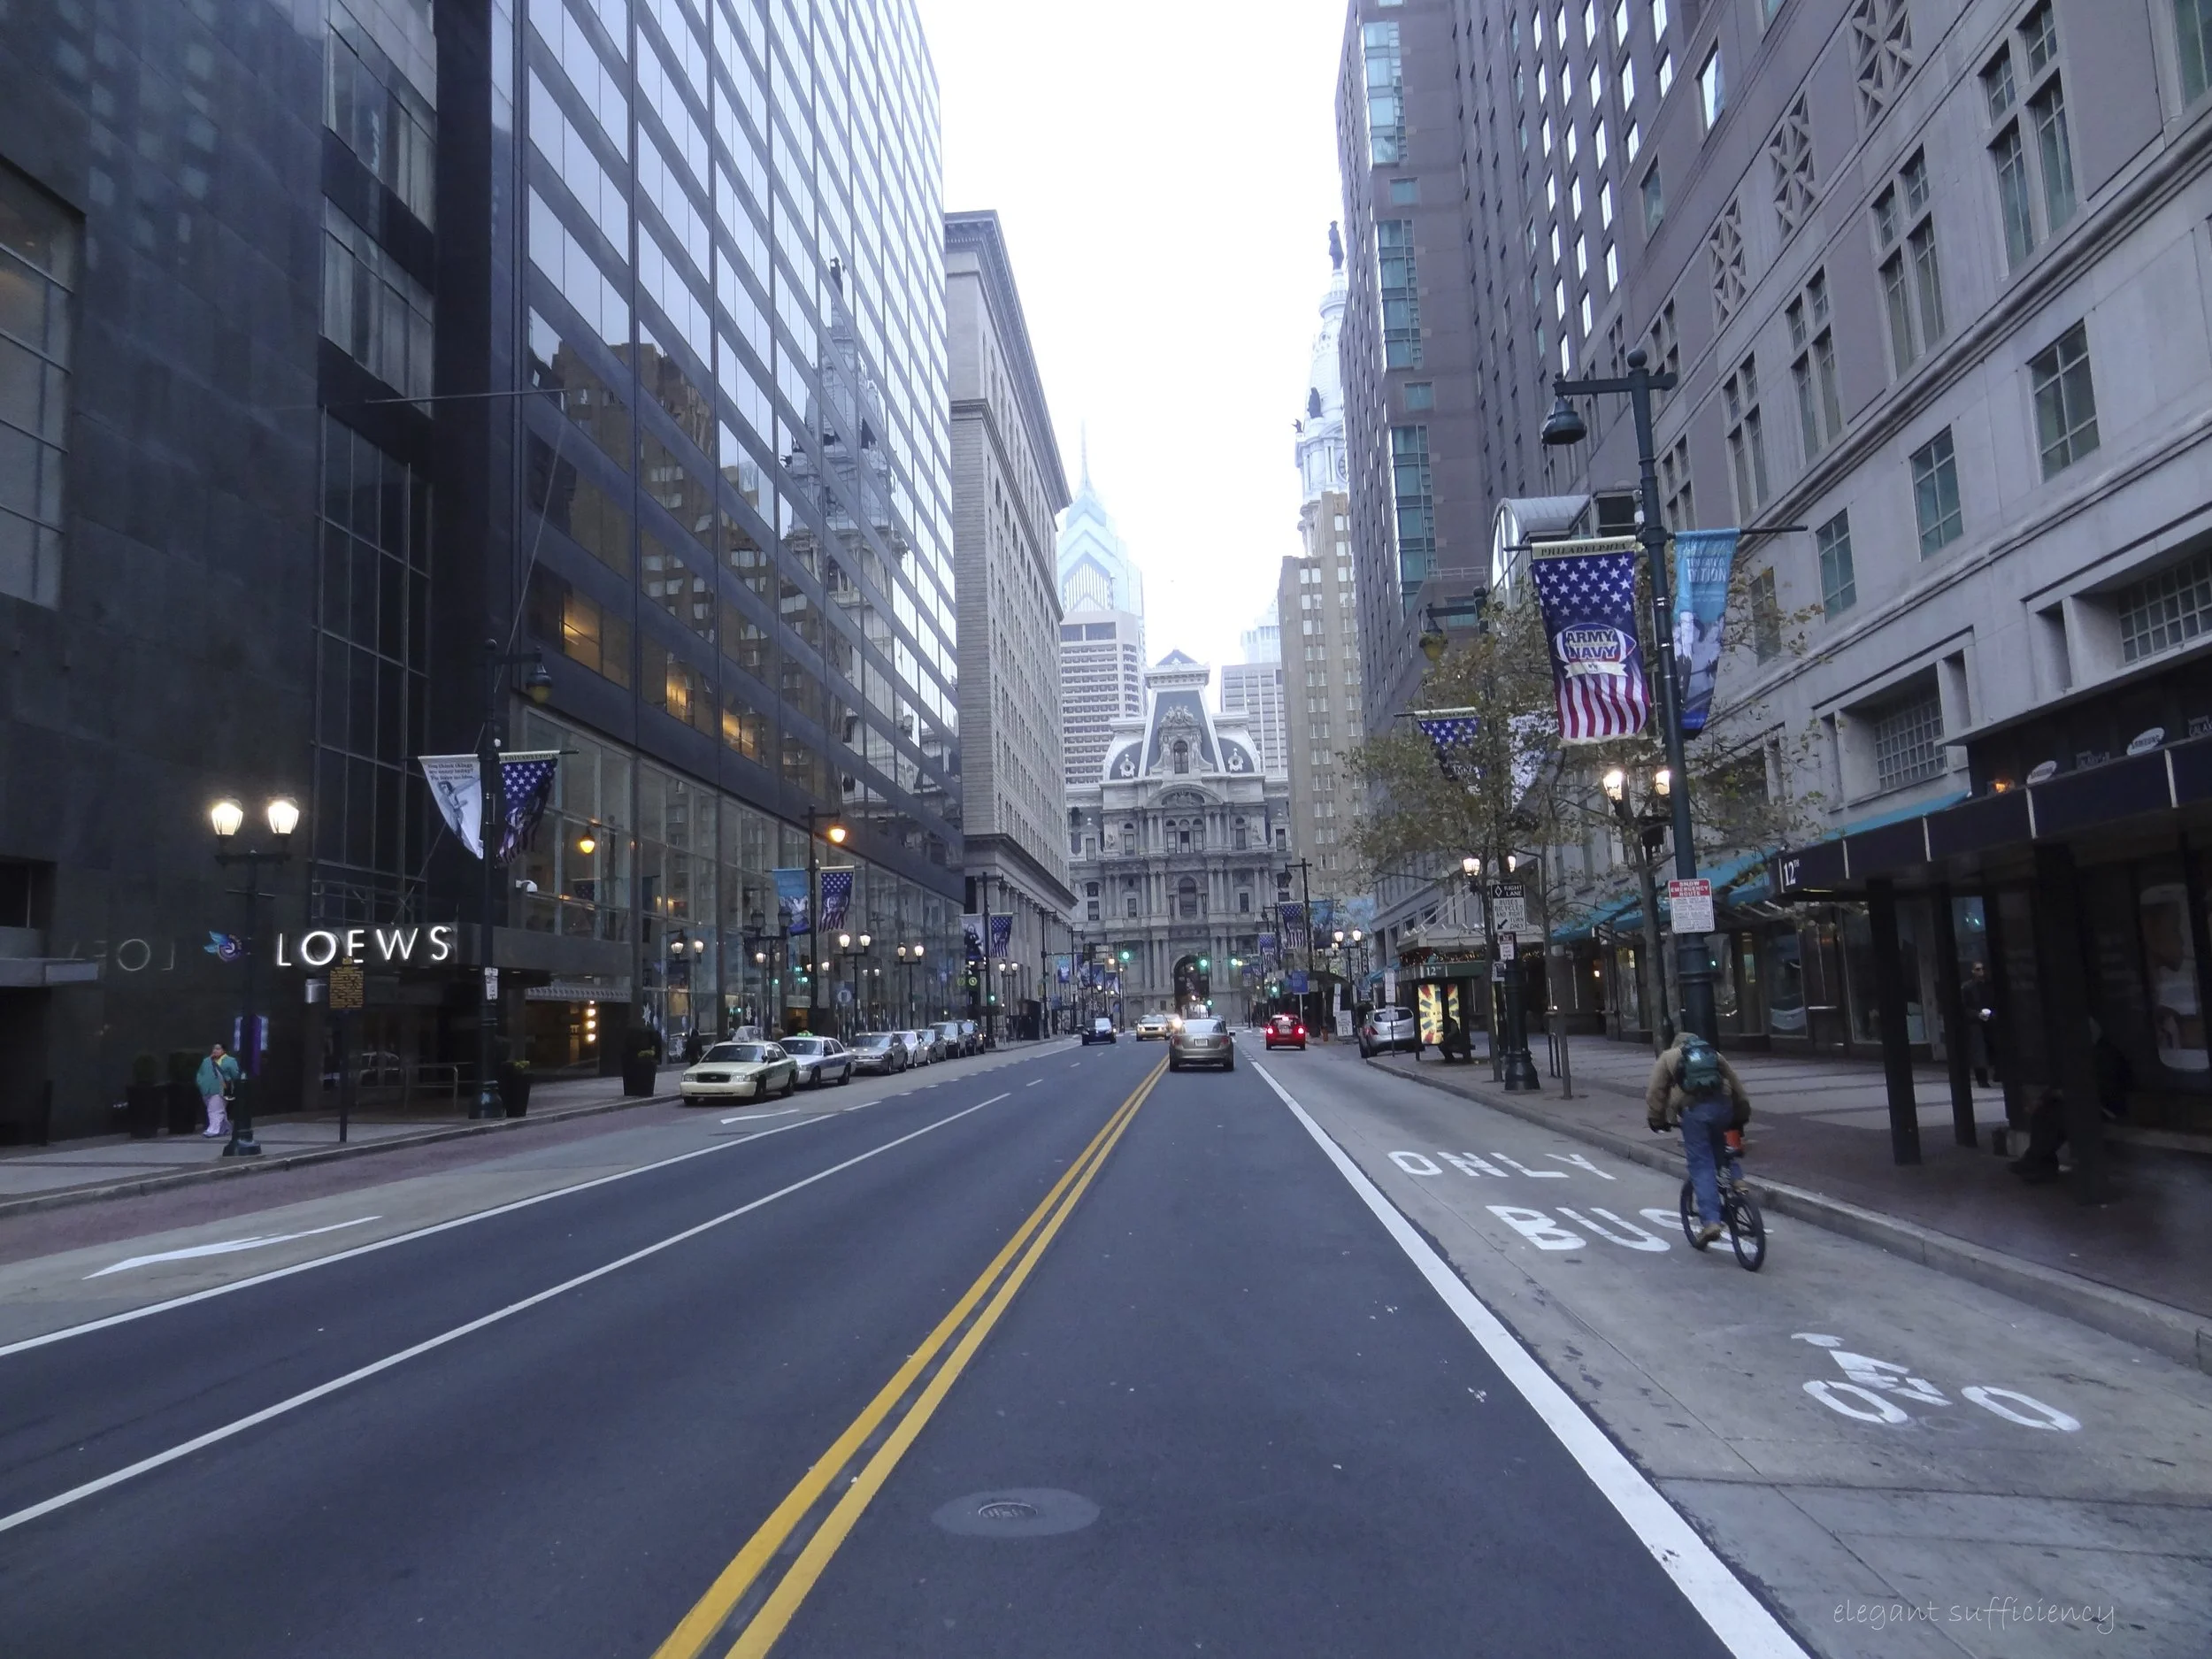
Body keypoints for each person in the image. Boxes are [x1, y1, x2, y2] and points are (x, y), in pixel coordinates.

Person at [1646, 1027, 1753, 1246]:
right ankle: (1737, 1179)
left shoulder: (1668, 1057)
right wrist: (1740, 1117)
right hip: (1724, 1106)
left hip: (1695, 1112)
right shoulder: (1713, 1054)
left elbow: (1656, 1092)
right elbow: (1737, 1087)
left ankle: (1711, 1222)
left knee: (1701, 1164)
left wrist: (1656, 1120)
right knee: (1720, 1145)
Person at [1961, 961, 1996, 1088]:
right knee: (1979, 1051)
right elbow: (1964, 1007)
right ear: (1972, 971)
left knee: (1992, 1047)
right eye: (1978, 969)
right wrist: (1977, 1015)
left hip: (1990, 1020)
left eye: (1982, 969)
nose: (1981, 972)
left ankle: (1996, 1073)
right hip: (1976, 1022)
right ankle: (1982, 1079)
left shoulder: (1989, 986)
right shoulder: (1967, 987)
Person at [196, 1042, 240, 1140]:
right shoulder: (206, 1061)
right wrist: (200, 1083)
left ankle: (213, 1130)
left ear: (224, 1050)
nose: (215, 1050)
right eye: (214, 1048)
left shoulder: (230, 1061)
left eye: (218, 1049)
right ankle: (225, 1128)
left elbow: (235, 1075)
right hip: (206, 1089)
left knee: (214, 1110)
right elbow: (200, 1073)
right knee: (217, 1109)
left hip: (221, 1088)